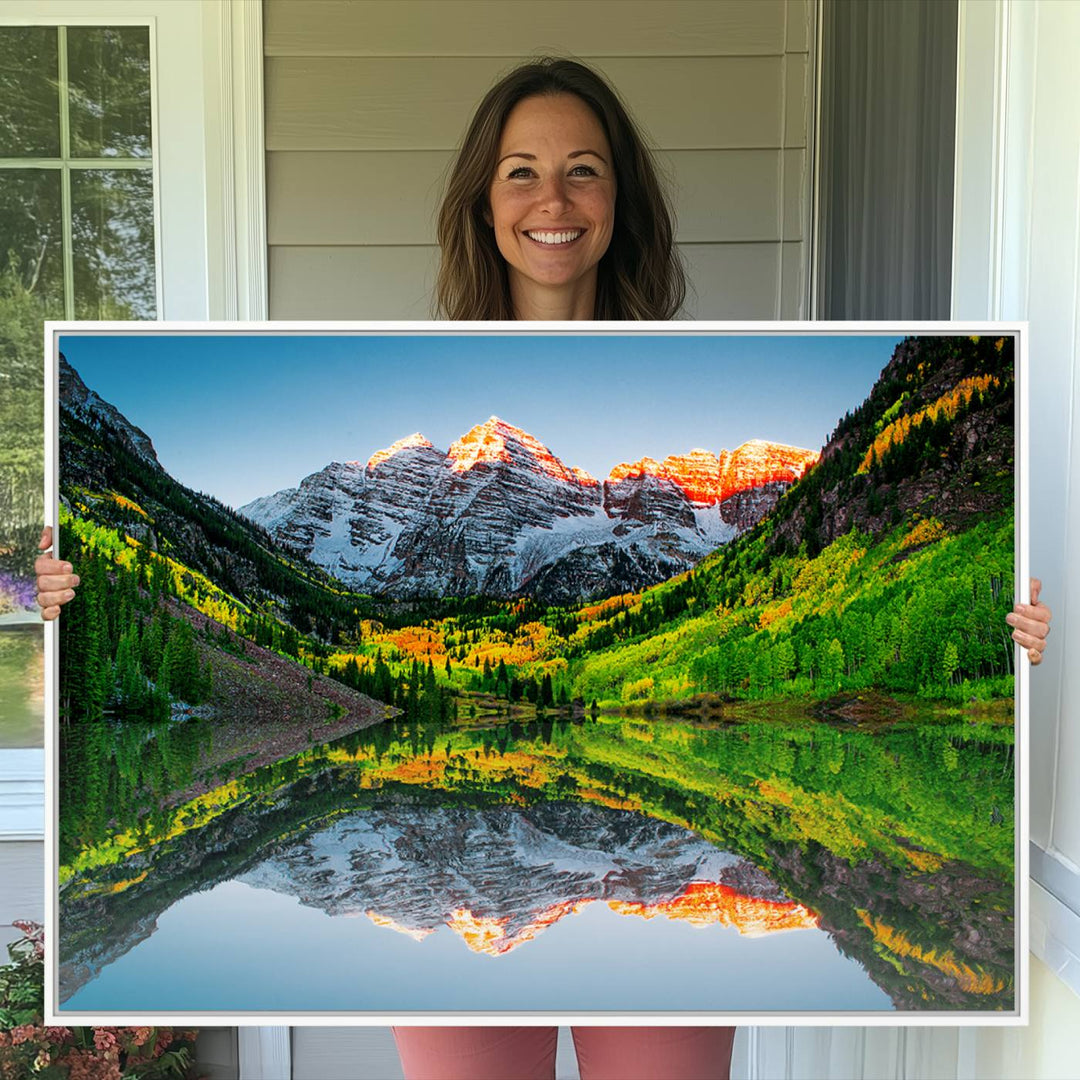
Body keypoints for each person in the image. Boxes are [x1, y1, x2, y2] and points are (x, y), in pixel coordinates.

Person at [35, 56, 1052, 1080]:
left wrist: (1001, 634)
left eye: (584, 170)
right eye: (520, 171)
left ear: (623, 199)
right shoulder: (414, 371)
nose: (553, 200)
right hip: (461, 935)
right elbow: (37, 603)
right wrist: (64, 598)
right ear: (482, 201)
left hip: (650, 953)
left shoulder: (691, 362)